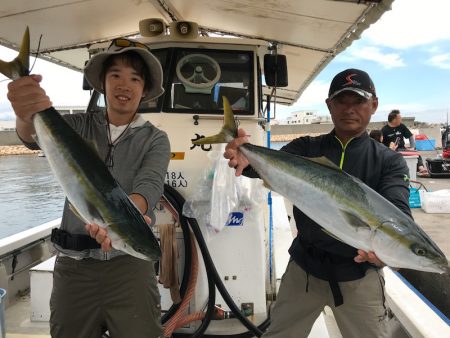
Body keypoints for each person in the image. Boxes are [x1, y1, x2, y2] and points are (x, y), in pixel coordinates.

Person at [224, 68, 412, 338]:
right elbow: (266, 168)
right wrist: (244, 157)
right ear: (329, 105)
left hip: (358, 277)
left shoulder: (388, 161)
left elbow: (398, 209)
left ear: (374, 105)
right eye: (341, 101)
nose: (349, 109)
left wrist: (388, 251)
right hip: (304, 271)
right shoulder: (306, 148)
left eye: (358, 101)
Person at [7, 37, 170, 338]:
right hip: (74, 267)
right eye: (115, 75)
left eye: (135, 78)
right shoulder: (77, 125)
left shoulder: (155, 139)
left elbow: (149, 186)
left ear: (145, 90)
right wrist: (24, 112)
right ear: (103, 83)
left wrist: (129, 214)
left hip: (128, 270)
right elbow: (31, 136)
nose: (125, 85)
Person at [381, 109, 429, 177]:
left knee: (416, 152)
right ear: (394, 120)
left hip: (402, 149)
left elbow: (410, 136)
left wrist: (412, 147)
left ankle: (421, 168)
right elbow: (380, 143)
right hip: (391, 151)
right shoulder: (384, 130)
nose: (401, 120)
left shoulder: (401, 126)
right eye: (400, 118)